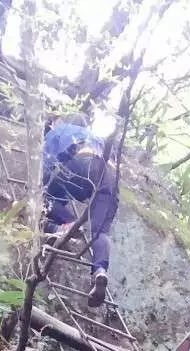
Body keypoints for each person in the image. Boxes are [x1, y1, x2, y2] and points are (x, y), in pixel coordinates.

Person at [42, 113, 118, 307]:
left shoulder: (61, 131)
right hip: (109, 174)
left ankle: (65, 225)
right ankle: (99, 271)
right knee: (100, 230)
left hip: (82, 163)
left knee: (45, 197)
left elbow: (48, 164)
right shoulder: (96, 138)